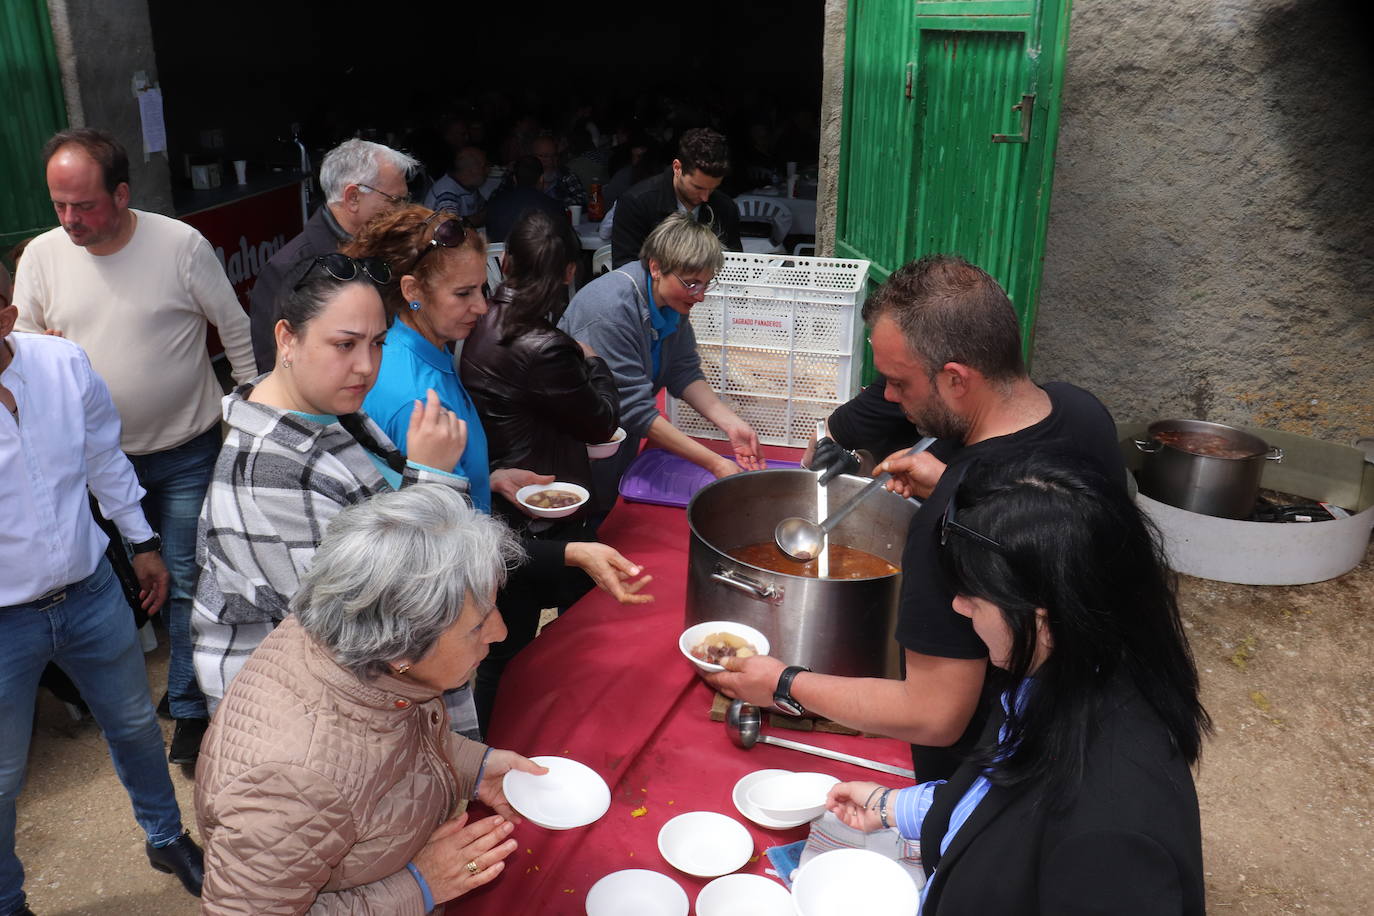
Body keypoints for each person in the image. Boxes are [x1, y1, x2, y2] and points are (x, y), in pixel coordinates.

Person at [708, 255, 1126, 781]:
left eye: (898, 382)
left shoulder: (954, 521)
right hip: (1093, 722)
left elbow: (933, 715)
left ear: (955, 379)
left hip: (997, 769)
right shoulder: (1083, 411)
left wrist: (783, 683)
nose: (886, 397)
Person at [825, 453, 1209, 915]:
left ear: (1041, 620)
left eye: (974, 598)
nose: (960, 609)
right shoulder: (1060, 681)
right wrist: (892, 807)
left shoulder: (1110, 834)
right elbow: (996, 800)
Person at [343, 206, 654, 725]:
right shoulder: (411, 393)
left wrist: (488, 478)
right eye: (463, 294)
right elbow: (421, 540)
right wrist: (569, 554)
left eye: (481, 288)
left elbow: (418, 480)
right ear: (413, 288)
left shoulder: (429, 351)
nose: (481, 307)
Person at [13, 127, 256, 766]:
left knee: (183, 578)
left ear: (121, 194)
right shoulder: (40, 256)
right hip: (91, 467)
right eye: (58, 205)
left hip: (182, 451)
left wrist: (254, 411)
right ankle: (134, 693)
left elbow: (232, 326)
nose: (69, 220)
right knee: (122, 582)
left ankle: (186, 705)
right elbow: (25, 348)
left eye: (84, 205)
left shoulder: (179, 245)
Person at [196, 484, 548, 913]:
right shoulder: (291, 785)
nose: (500, 632)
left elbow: (380, 741)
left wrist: (473, 767)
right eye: (476, 626)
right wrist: (420, 885)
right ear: (401, 648)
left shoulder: (353, 636)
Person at [0, 263, 204, 914]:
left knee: (137, 727)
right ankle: (7, 899)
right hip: (4, 624)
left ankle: (166, 836)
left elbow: (104, 461)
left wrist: (142, 544)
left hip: (90, 593)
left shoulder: (60, 365)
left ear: (5, 314)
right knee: (2, 778)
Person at [191, 255, 468, 717]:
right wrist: (434, 481)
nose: (365, 366)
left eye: (377, 342)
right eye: (345, 344)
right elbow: (364, 626)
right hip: (316, 731)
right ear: (287, 339)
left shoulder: (325, 411)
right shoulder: (269, 471)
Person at [460, 209, 632, 726]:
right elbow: (601, 423)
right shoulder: (550, 347)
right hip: (547, 509)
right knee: (567, 640)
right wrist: (594, 361)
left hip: (502, 500)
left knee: (501, 650)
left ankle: (495, 740)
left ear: (505, 263)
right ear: (568, 274)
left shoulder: (480, 322)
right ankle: (551, 736)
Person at [560, 212, 765, 518]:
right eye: (692, 284)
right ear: (656, 267)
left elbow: (683, 369)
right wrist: (716, 463)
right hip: (574, 445)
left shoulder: (671, 300)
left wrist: (731, 423)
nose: (701, 297)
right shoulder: (609, 309)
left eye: (706, 284)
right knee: (587, 521)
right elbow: (634, 410)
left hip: (615, 439)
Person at [249, 139, 420, 372]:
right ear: (353, 198)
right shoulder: (288, 267)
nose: (403, 211)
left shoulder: (391, 246)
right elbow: (274, 368)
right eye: (395, 201)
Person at [610, 128, 742, 268]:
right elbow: (625, 267)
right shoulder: (636, 202)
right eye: (698, 187)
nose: (705, 197)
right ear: (677, 168)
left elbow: (733, 263)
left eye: (713, 188)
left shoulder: (725, 207)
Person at [485, 155, 566, 244]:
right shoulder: (554, 206)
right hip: (541, 256)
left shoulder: (495, 204)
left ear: (514, 179)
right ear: (541, 179)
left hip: (501, 257)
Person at [422, 145, 489, 227]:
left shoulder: (469, 188)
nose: (488, 170)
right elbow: (450, 228)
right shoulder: (446, 193)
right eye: (484, 166)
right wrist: (473, 221)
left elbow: (485, 210)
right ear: (471, 171)